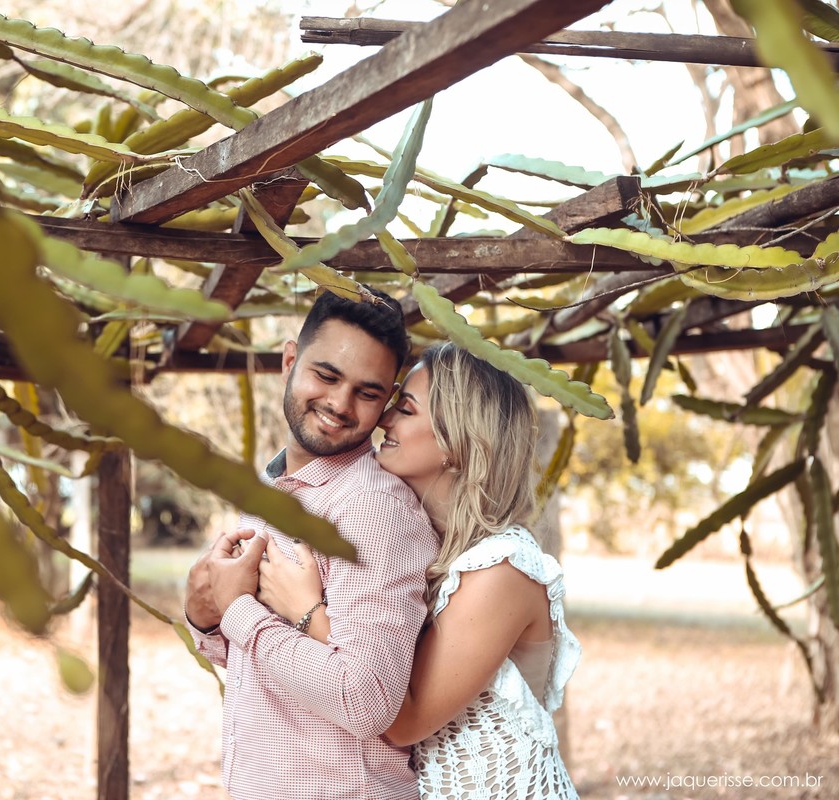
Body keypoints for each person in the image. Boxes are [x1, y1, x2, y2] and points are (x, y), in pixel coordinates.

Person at [259, 342, 582, 799]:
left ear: (458, 441)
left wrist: (307, 611)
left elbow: (404, 721)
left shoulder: (501, 569)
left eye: (405, 409)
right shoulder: (416, 540)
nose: (384, 420)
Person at [183, 288, 441, 800]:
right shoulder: (274, 488)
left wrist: (236, 609)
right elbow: (266, 664)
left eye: (367, 393)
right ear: (289, 362)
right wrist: (204, 616)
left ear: (386, 401)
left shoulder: (375, 511)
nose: (340, 405)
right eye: (326, 376)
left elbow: (367, 702)